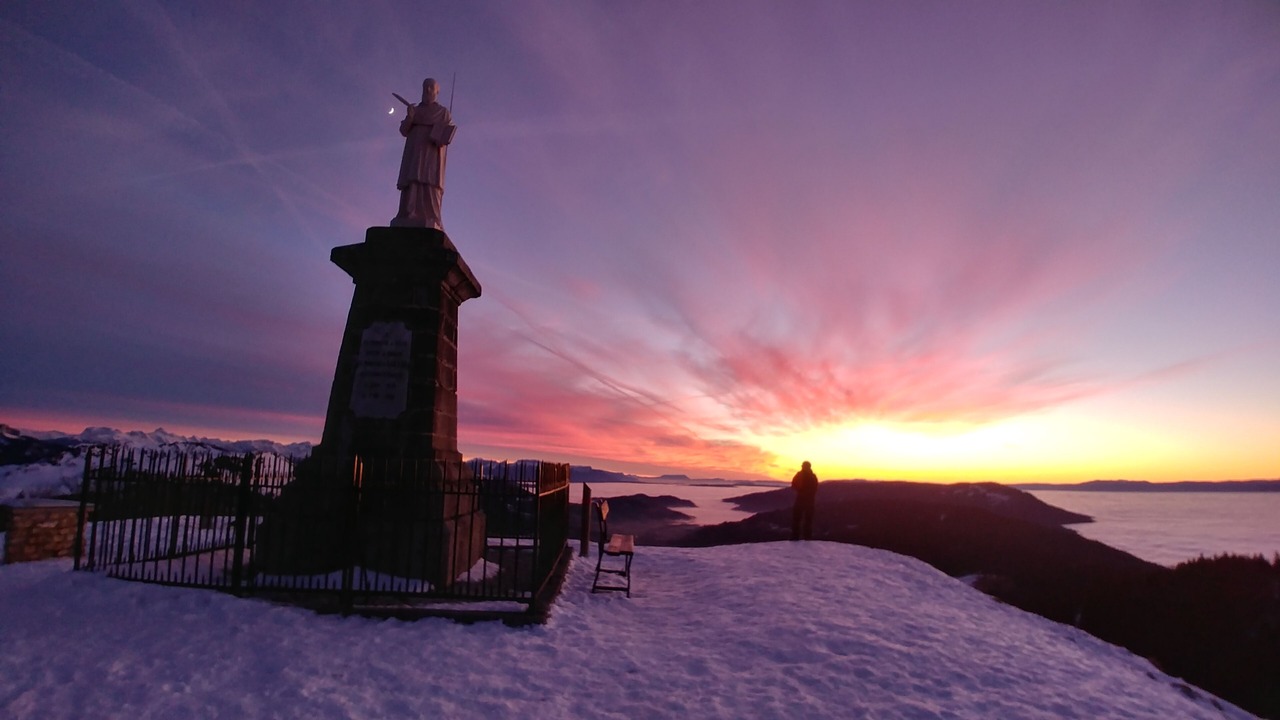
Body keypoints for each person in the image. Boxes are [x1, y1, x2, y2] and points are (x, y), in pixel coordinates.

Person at [391, 77, 456, 230]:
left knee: (430, 182)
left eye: (431, 88)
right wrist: (410, 117)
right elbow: (404, 130)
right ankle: (408, 213)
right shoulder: (415, 111)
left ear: (436, 91)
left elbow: (448, 131)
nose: (427, 90)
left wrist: (441, 136)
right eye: (425, 87)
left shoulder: (442, 112)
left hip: (432, 152)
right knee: (413, 180)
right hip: (414, 151)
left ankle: (431, 216)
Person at [791, 460, 818, 540]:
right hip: (809, 501)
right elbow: (815, 488)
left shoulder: (800, 475)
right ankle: (806, 538)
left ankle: (796, 537)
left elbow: (794, 485)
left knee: (799, 519)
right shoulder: (812, 476)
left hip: (802, 500)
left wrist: (801, 491)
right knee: (806, 520)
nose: (803, 467)